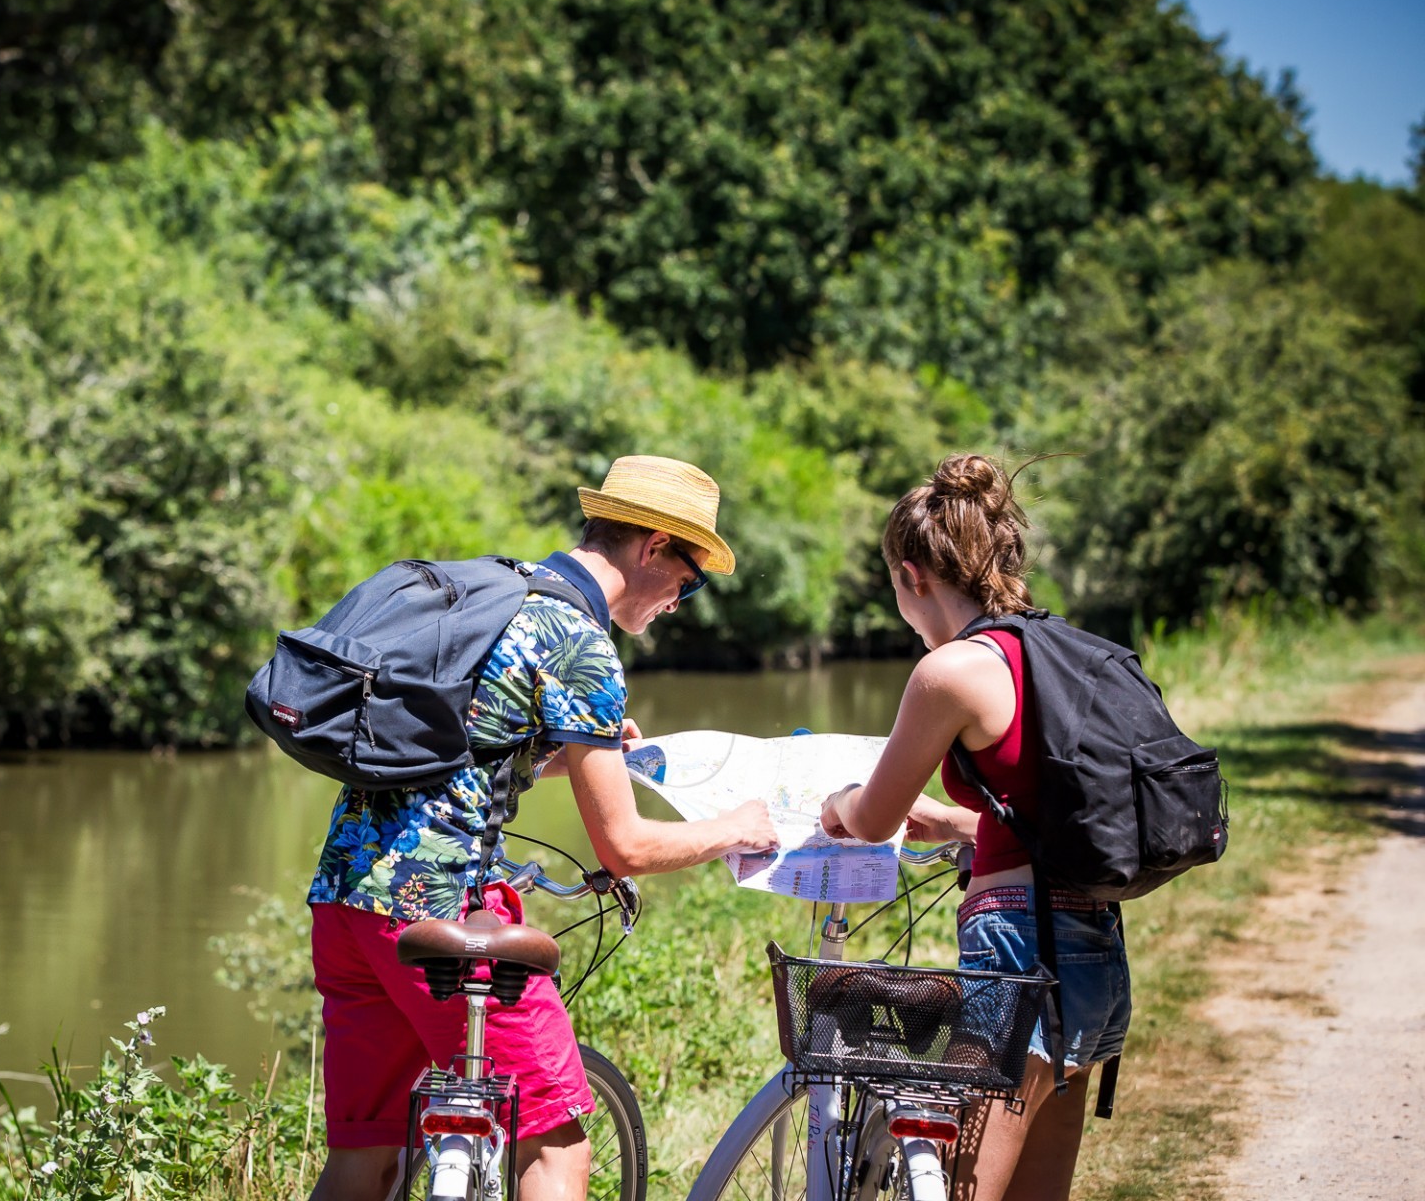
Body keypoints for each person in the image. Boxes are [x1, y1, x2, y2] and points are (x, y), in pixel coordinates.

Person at [307, 455, 779, 1201]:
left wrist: (573, 754)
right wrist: (736, 828)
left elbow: (469, 751)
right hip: (441, 915)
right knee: (553, 1152)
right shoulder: (581, 645)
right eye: (689, 580)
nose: (681, 602)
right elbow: (625, 849)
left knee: (365, 1156)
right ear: (654, 546)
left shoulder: (498, 595)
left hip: (344, 900)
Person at [818, 453, 1132, 1201]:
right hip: (1091, 946)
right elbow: (1045, 807)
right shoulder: (1052, 653)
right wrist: (962, 823)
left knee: (963, 1190)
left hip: (1015, 950)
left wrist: (838, 802)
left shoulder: (949, 671)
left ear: (911, 574)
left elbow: (871, 819)